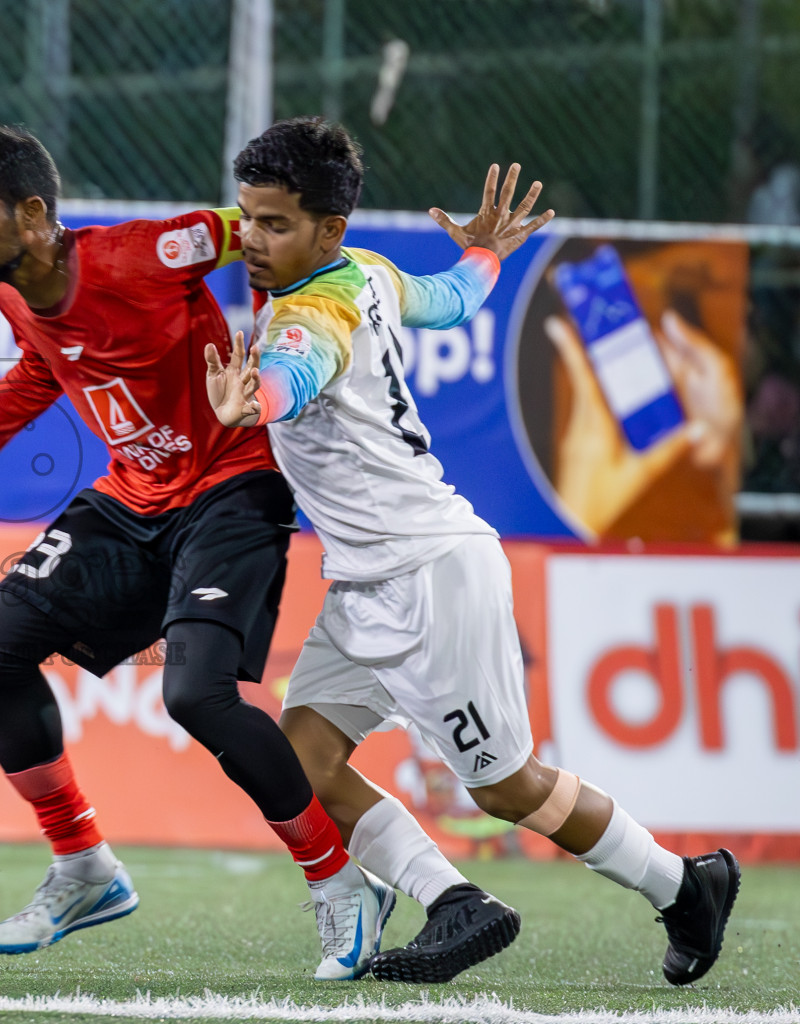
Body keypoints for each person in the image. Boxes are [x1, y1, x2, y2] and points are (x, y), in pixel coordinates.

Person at [205, 116, 741, 986]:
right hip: (364, 583)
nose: (254, 240)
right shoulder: (368, 271)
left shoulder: (311, 314)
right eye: (249, 218)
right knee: (301, 763)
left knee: (507, 788)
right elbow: (450, 299)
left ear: (328, 230)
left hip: (430, 573)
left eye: (275, 224)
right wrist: (485, 254)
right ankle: (455, 903)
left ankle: (687, 886)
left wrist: (252, 400)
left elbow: (294, 371)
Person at [0, 123, 391, 979]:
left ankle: (339, 884)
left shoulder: (145, 254)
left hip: (233, 486)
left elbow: (255, 226)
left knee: (197, 695)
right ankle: (84, 867)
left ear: (34, 214)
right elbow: (39, 373)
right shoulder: (12, 291)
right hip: (131, 498)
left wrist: (310, 310)